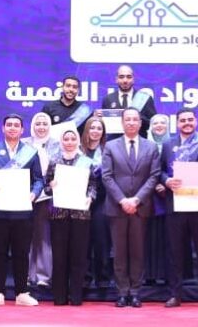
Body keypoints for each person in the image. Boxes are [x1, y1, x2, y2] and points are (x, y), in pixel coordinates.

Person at [0, 113, 43, 307]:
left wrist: (34, 194)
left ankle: (22, 292)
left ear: (22, 130)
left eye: (16, 125)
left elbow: (38, 180)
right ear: (3, 128)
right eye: (9, 125)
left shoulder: (30, 152)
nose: (12, 128)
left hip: (23, 211)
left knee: (21, 253)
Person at [101, 107, 161, 308]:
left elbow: (154, 176)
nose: (131, 123)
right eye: (128, 119)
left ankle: (135, 292)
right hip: (116, 207)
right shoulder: (110, 146)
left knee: (137, 252)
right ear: (122, 122)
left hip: (140, 207)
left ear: (141, 123)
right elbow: (107, 176)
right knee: (119, 252)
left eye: (135, 119)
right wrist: (122, 200)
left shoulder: (151, 147)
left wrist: (136, 200)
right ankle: (122, 292)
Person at [161, 107, 198, 308]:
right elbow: (160, 171)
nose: (186, 123)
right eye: (183, 120)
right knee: (175, 252)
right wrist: (166, 180)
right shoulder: (168, 144)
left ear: (196, 121)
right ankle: (175, 294)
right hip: (175, 205)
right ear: (177, 123)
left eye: (190, 120)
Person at [45, 129, 96, 305]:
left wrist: (90, 197)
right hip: (58, 214)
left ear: (78, 141)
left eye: (73, 138)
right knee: (59, 256)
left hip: (80, 214)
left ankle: (76, 296)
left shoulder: (86, 162)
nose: (69, 141)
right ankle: (59, 296)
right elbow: (46, 187)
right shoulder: (54, 161)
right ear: (61, 141)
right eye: (66, 139)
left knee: (78, 256)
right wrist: (51, 186)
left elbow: (93, 185)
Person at [23, 112, 58, 286]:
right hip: (26, 196)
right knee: (26, 236)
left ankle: (44, 276)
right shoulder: (23, 144)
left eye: (45, 124)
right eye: (38, 123)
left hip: (49, 197)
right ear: (32, 126)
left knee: (44, 236)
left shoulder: (58, 144)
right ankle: (27, 275)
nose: (41, 127)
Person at [81, 117, 113, 288]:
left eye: (99, 128)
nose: (95, 131)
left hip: (102, 199)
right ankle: (84, 278)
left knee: (101, 240)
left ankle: (103, 278)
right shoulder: (78, 150)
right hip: (79, 200)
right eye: (92, 128)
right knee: (83, 240)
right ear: (87, 130)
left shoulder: (108, 151)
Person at [144, 114, 170, 285]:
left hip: (169, 197)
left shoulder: (174, 145)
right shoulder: (143, 145)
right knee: (148, 238)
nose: (159, 125)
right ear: (150, 127)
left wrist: (165, 185)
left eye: (163, 123)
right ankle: (149, 276)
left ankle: (167, 275)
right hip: (146, 197)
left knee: (167, 238)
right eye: (155, 123)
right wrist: (153, 186)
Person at [99, 65, 157, 139]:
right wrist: (99, 118)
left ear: (133, 79)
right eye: (121, 77)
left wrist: (136, 118)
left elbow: (153, 124)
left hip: (139, 142)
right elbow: (104, 126)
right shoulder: (108, 99)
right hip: (114, 143)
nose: (125, 80)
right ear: (116, 79)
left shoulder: (145, 98)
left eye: (129, 77)